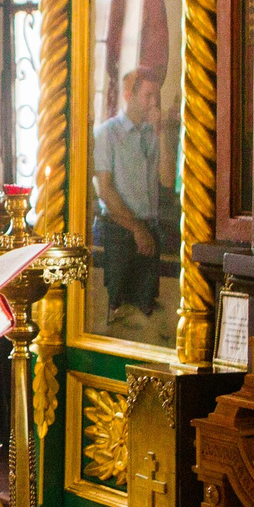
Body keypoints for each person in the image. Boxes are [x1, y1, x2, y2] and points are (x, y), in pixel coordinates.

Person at [91, 66, 168, 326]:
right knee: (117, 311)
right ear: (129, 95)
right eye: (148, 95)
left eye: (156, 96)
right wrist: (136, 229)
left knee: (145, 313)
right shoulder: (107, 134)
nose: (153, 102)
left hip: (149, 229)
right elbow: (105, 190)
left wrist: (162, 132)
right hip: (118, 232)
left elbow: (167, 179)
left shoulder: (152, 135)